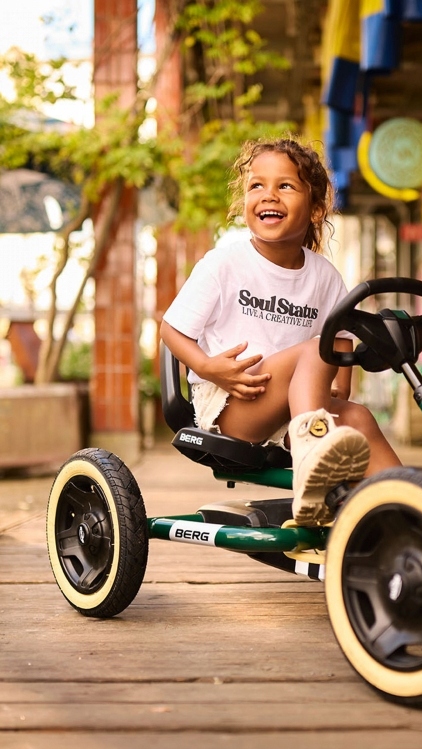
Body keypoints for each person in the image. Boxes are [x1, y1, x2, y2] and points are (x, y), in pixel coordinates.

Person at [161, 136, 401, 524]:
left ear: (316, 209)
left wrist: (337, 390)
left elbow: (342, 343)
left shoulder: (323, 276)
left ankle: (411, 511)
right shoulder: (224, 264)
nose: (269, 195)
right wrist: (207, 367)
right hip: (234, 404)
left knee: (358, 418)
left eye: (285, 186)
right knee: (314, 349)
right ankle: (312, 467)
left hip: (296, 413)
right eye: (257, 185)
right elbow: (171, 330)